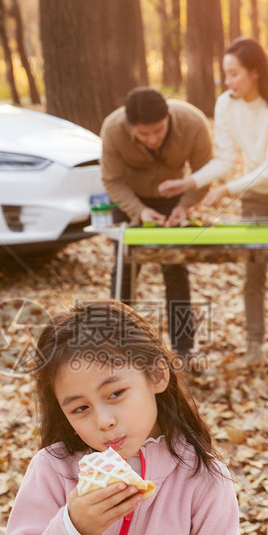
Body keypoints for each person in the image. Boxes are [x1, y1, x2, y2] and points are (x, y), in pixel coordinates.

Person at [1, 300, 245, 535]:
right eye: (81, 408)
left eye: (115, 393)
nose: (103, 421)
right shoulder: (53, 471)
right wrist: (76, 529)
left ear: (157, 375)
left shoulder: (202, 479)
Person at [159, 37, 268, 368]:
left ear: (255, 72)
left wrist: (228, 190)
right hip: (256, 195)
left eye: (233, 74)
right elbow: (225, 159)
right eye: (225, 75)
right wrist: (191, 182)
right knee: (253, 271)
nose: (227, 83)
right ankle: (254, 347)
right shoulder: (226, 104)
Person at [100, 87, 213, 357]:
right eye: (143, 134)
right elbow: (112, 180)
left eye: (158, 131)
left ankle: (184, 346)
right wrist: (138, 212)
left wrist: (184, 207)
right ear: (130, 127)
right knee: (124, 268)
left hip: (174, 197)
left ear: (169, 117)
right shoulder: (112, 129)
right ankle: (119, 344)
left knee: (176, 268)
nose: (152, 139)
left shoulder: (194, 123)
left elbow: (205, 173)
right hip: (129, 199)